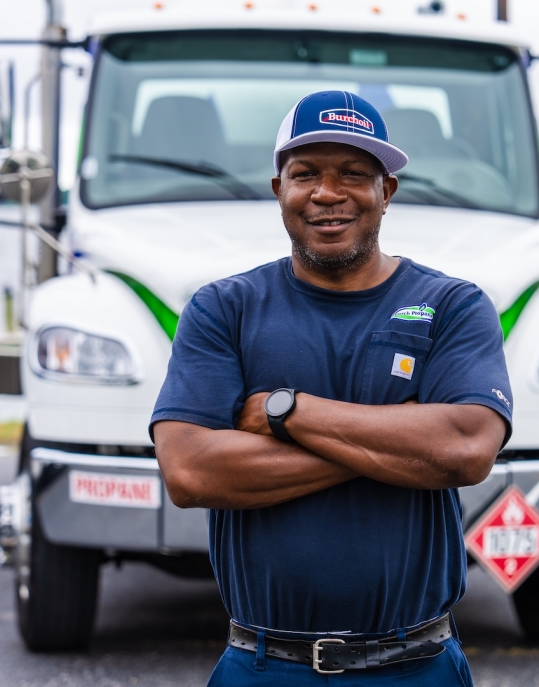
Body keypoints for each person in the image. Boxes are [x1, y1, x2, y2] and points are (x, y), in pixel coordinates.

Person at [151, 91, 513, 685]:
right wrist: (404, 438)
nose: (327, 193)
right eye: (305, 174)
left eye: (353, 174)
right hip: (264, 665)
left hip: (416, 665)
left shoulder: (453, 305)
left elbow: (467, 449)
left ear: (386, 193)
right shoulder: (225, 309)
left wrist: (285, 411)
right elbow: (190, 472)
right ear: (279, 191)